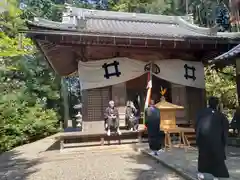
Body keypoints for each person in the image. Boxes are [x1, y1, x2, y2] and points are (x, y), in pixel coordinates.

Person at [195, 96, 229, 180]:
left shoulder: (201, 113)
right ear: (217, 104)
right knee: (216, 157)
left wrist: (198, 138)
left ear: (208, 103)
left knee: (203, 156)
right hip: (216, 141)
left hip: (203, 139)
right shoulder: (221, 116)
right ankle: (216, 175)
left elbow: (197, 126)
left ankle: (201, 173)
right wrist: (224, 141)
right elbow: (225, 129)